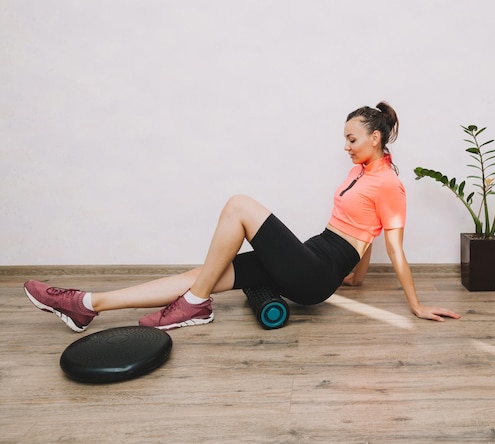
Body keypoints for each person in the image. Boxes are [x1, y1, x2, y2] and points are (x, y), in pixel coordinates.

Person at [24, 102, 460, 332]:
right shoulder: (358, 171)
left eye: (351, 138)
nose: (345, 146)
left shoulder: (389, 184)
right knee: (204, 275)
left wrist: (416, 306)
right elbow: (363, 231)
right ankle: (87, 305)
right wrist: (356, 277)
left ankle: (193, 308)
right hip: (314, 257)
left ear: (376, 137)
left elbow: (393, 248)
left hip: (313, 276)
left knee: (239, 205)